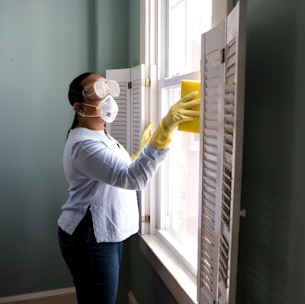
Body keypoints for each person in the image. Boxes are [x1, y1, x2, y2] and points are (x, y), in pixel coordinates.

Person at [57, 72, 200, 304]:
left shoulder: (100, 134)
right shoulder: (83, 144)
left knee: (92, 298)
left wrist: (141, 153)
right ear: (79, 106)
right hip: (89, 234)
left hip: (101, 233)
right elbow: (132, 179)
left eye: (108, 87)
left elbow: (113, 171)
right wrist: (164, 131)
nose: (108, 96)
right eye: (98, 91)